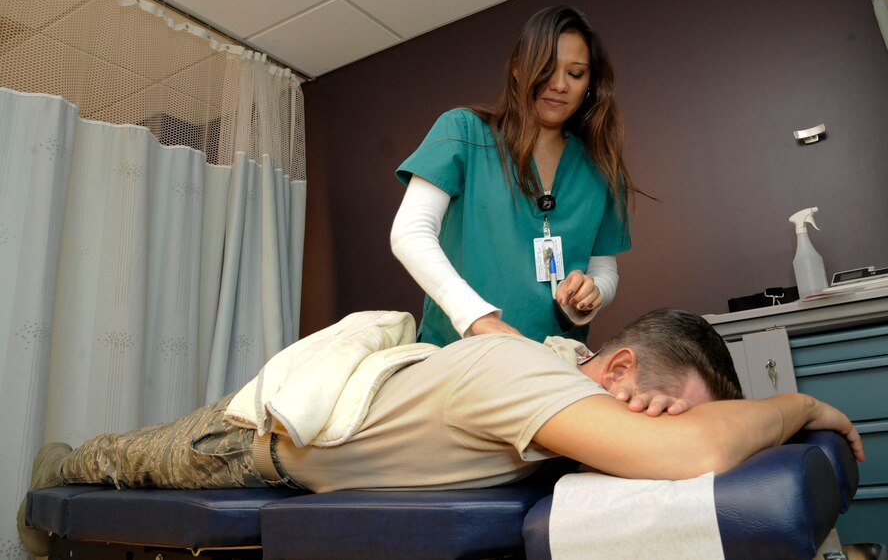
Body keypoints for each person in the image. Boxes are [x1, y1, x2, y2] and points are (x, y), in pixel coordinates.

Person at [18, 309, 864, 557]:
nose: (661, 422)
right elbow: (697, 452)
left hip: (305, 459)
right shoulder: (526, 379)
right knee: (117, 461)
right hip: (245, 444)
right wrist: (806, 407)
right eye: (663, 402)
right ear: (616, 368)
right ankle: (50, 486)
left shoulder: (552, 377)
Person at [391, 5, 635, 346]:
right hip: (460, 351)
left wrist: (592, 293)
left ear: (590, 83)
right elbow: (410, 233)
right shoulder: (463, 132)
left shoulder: (600, 169)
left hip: (551, 357)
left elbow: (604, 269)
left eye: (576, 73)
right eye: (546, 68)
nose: (559, 85)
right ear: (518, 69)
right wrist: (476, 317)